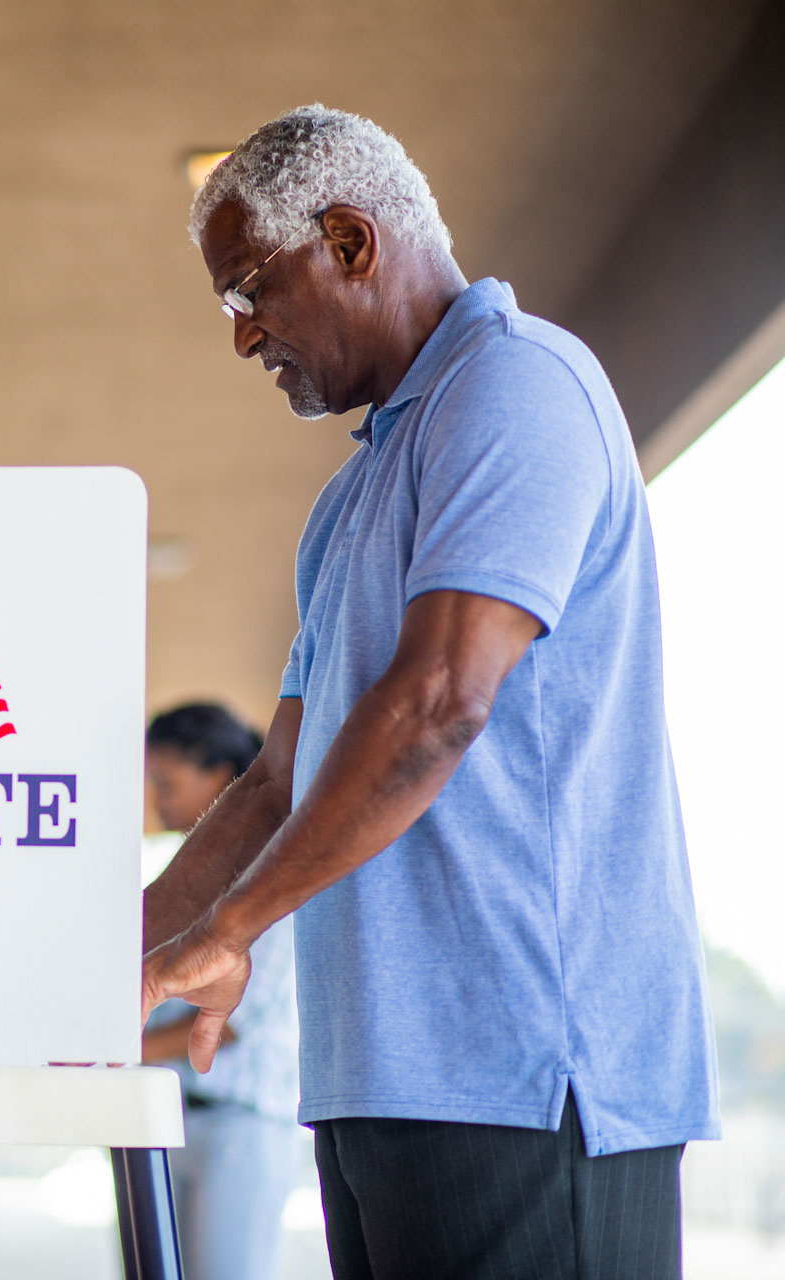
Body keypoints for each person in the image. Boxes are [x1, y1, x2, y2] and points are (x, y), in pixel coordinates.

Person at [139, 105, 717, 1280]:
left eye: (250, 290)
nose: (243, 339)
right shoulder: (352, 498)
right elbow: (271, 784)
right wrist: (120, 960)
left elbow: (442, 700)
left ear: (349, 241)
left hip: (527, 1068)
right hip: (382, 1078)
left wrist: (230, 932)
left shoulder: (518, 387)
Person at [142, 703, 300, 1280]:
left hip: (240, 1126)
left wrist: (115, 1049)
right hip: (168, 1120)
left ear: (220, 778)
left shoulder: (269, 877)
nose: (157, 800)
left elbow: (232, 1020)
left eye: (167, 783)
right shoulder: (174, 881)